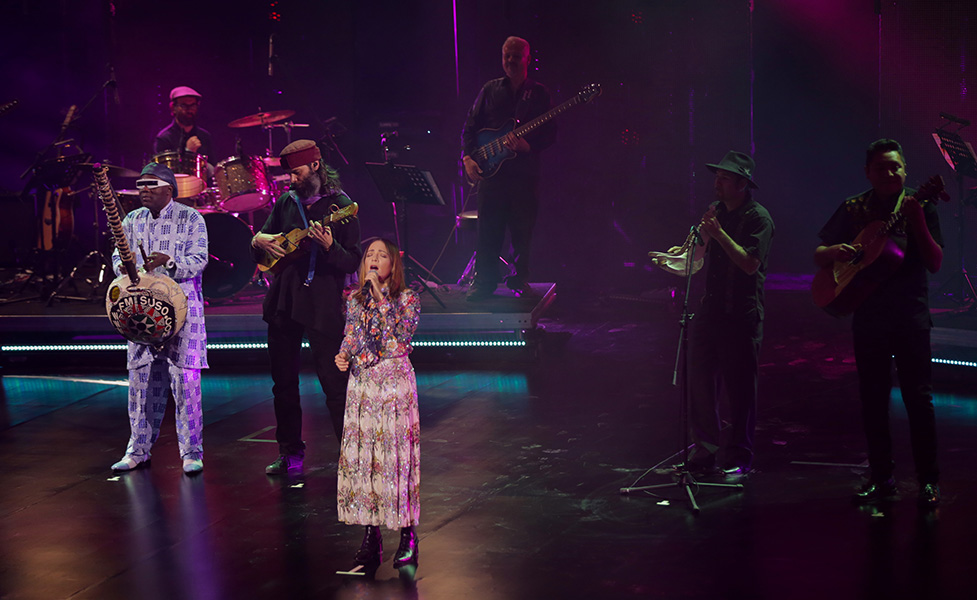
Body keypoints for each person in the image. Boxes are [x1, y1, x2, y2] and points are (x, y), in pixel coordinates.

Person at [814, 139, 943, 508]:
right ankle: (881, 476)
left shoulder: (921, 203)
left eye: (895, 166)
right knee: (872, 398)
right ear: (867, 173)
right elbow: (819, 253)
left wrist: (918, 222)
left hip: (910, 316)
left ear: (905, 169)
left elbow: (935, 263)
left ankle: (928, 480)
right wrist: (833, 251)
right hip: (868, 316)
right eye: (881, 168)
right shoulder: (853, 207)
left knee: (918, 399)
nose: (890, 173)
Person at [251, 140, 362, 475]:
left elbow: (353, 260)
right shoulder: (287, 202)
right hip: (285, 300)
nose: (291, 180)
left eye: (296, 173)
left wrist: (329, 247)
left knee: (334, 384)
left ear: (315, 166)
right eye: (288, 174)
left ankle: (350, 455)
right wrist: (256, 239)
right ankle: (289, 453)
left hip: (322, 302)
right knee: (283, 383)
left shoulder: (342, 207)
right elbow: (264, 243)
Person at [109, 162, 209, 475]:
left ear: (169, 189)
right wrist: (125, 267)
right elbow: (117, 256)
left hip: (182, 312)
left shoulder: (191, 218)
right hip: (142, 312)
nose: (143, 190)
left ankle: (191, 453)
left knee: (185, 385)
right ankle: (137, 451)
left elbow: (199, 260)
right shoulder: (132, 220)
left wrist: (170, 262)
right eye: (140, 185)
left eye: (151, 184)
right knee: (141, 385)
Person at [680, 151, 774, 477]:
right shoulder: (716, 211)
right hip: (711, 310)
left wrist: (719, 233)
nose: (716, 184)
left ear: (742, 184)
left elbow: (749, 264)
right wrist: (687, 249)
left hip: (741, 314)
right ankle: (704, 450)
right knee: (701, 383)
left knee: (740, 389)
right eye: (717, 177)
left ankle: (739, 456)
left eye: (724, 178)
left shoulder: (759, 219)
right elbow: (698, 255)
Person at [335, 238, 421, 571]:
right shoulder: (355, 299)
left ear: (393, 265)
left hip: (394, 385)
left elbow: (397, 339)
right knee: (367, 462)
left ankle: (408, 536)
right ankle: (371, 537)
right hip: (364, 386)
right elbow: (352, 335)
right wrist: (343, 354)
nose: (373, 259)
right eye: (369, 254)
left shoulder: (408, 299)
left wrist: (381, 299)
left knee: (396, 460)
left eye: (381, 255)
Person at [461, 36, 556, 301]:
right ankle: (484, 282)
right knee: (488, 231)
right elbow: (470, 126)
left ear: (527, 59)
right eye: (507, 56)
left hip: (524, 176)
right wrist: (468, 158)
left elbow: (551, 134)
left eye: (516, 56)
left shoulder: (539, 94)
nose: (511, 60)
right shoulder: (490, 89)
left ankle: (518, 280)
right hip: (492, 175)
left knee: (521, 232)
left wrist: (528, 146)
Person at [153, 86, 214, 160]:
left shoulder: (205, 136)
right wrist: (188, 152)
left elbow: (212, 165)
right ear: (173, 108)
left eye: (193, 105)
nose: (189, 110)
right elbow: (162, 167)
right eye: (184, 106)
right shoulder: (164, 138)